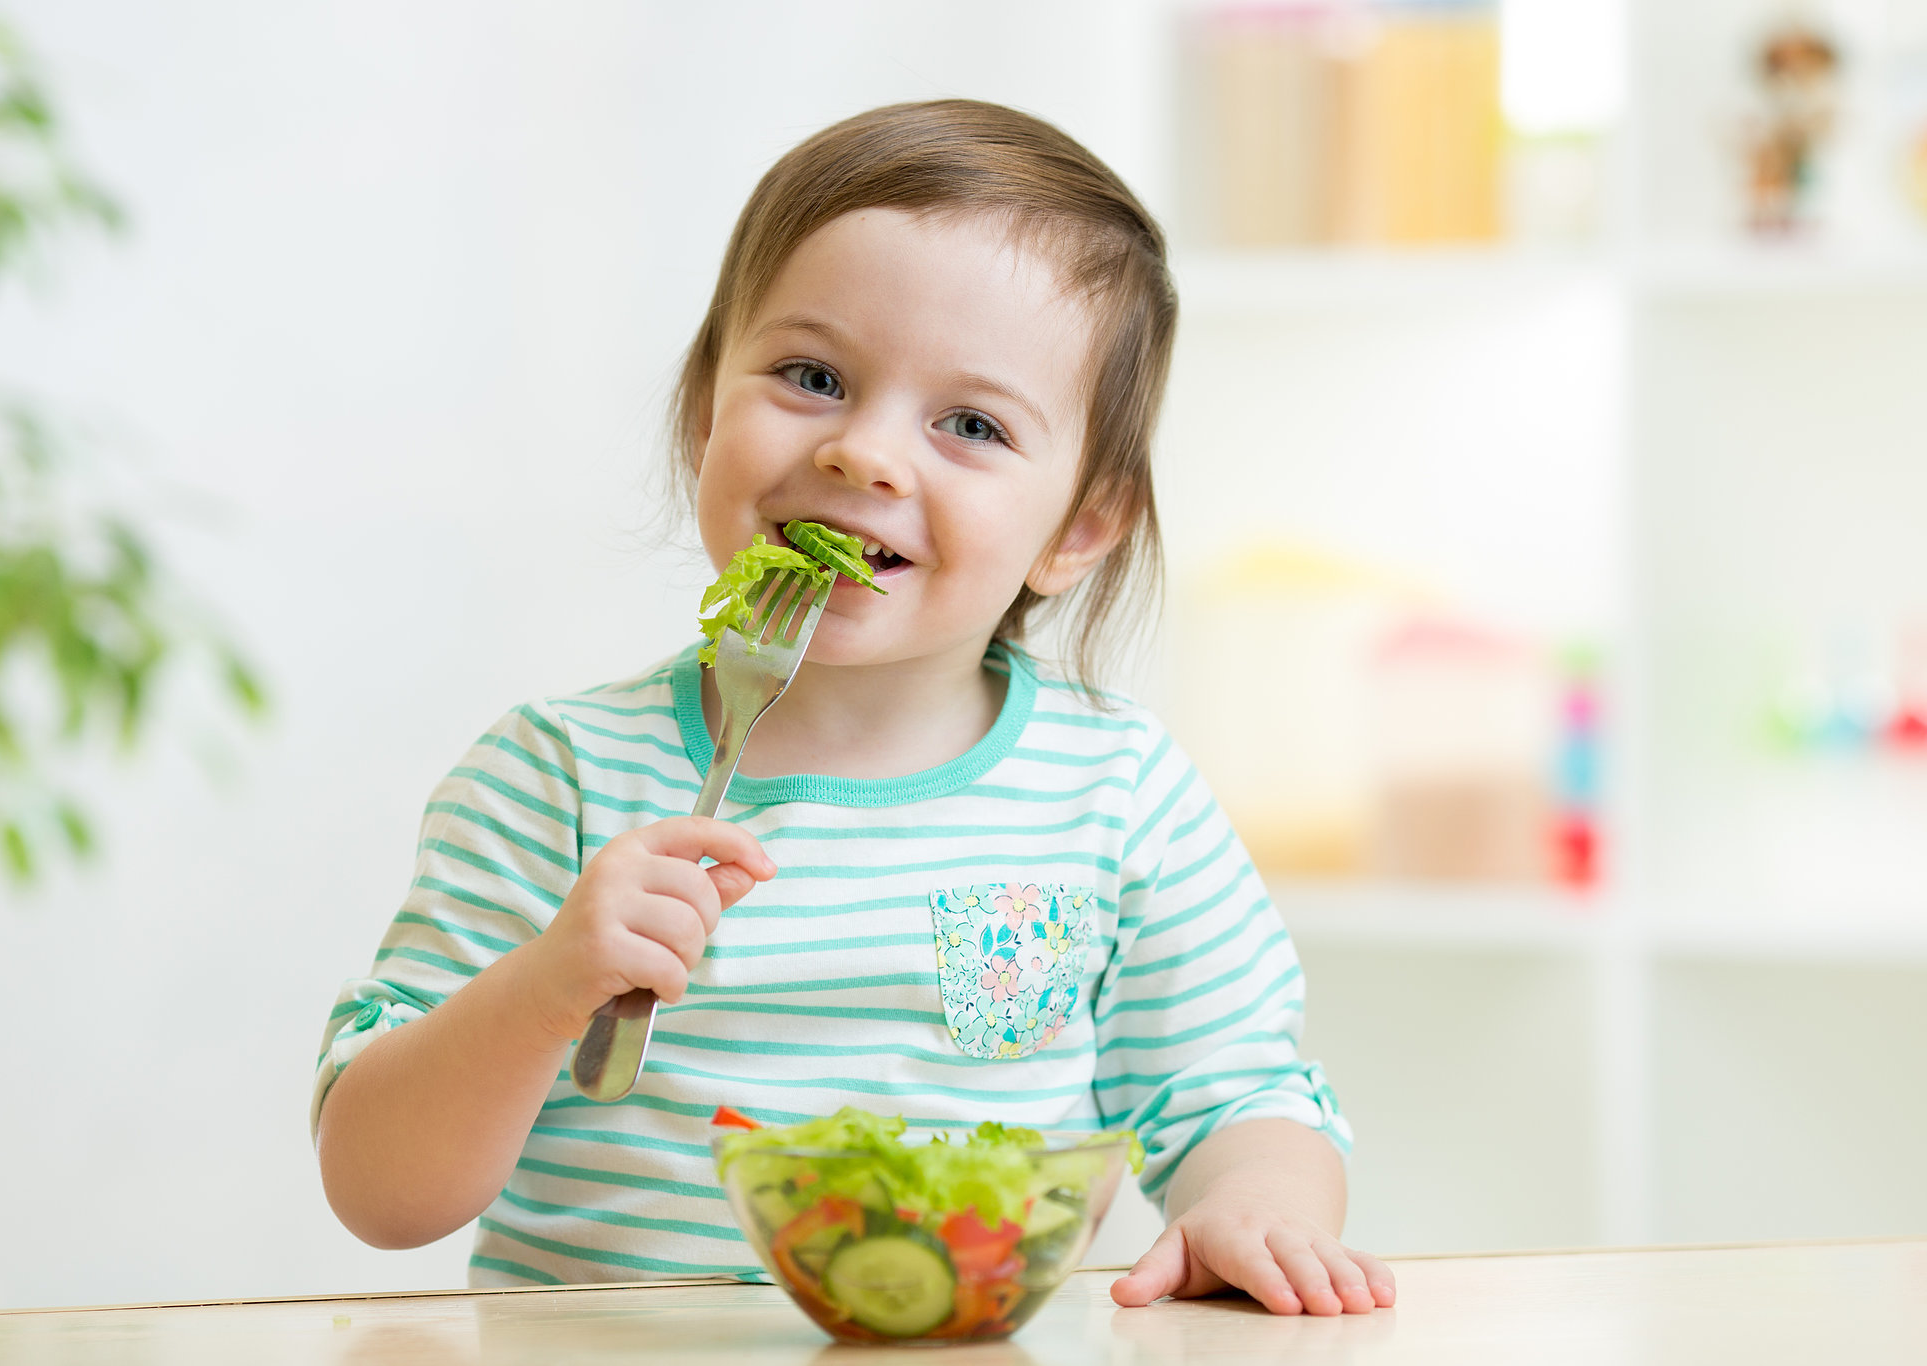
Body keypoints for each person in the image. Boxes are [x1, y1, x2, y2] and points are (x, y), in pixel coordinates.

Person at [312, 99, 1395, 1317]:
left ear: (1080, 526)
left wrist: (1254, 1204)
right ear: (701, 414)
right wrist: (545, 986)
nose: (864, 455)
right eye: (811, 376)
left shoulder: (1116, 794)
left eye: (970, 424)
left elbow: (1233, 1092)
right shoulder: (556, 776)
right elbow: (377, 1188)